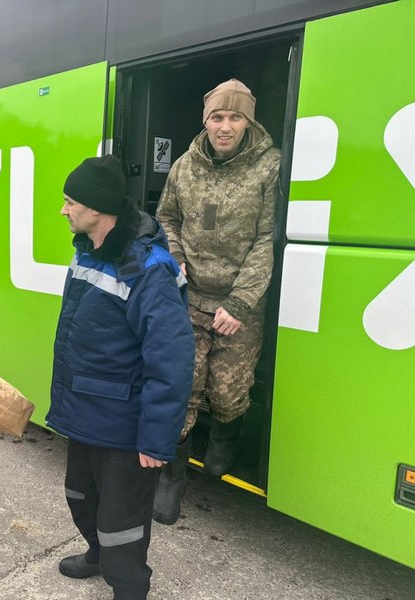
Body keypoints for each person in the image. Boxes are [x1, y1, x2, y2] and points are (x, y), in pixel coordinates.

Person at [48, 155, 194, 600]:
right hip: (85, 413)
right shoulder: (87, 250)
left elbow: (171, 361)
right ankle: (97, 555)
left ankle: (129, 588)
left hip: (122, 427)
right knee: (80, 495)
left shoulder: (148, 269)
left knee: (122, 524)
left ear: (97, 208)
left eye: (70, 202)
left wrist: (155, 440)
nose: (64, 210)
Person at [153, 79, 280, 524]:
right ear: (205, 121)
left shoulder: (270, 166)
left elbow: (269, 239)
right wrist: (174, 259)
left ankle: (226, 438)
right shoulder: (184, 165)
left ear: (249, 121)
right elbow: (166, 217)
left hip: (239, 305)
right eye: (217, 117)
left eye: (235, 117)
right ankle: (172, 475)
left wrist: (240, 303)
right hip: (189, 297)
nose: (225, 126)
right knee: (181, 388)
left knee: (228, 395)